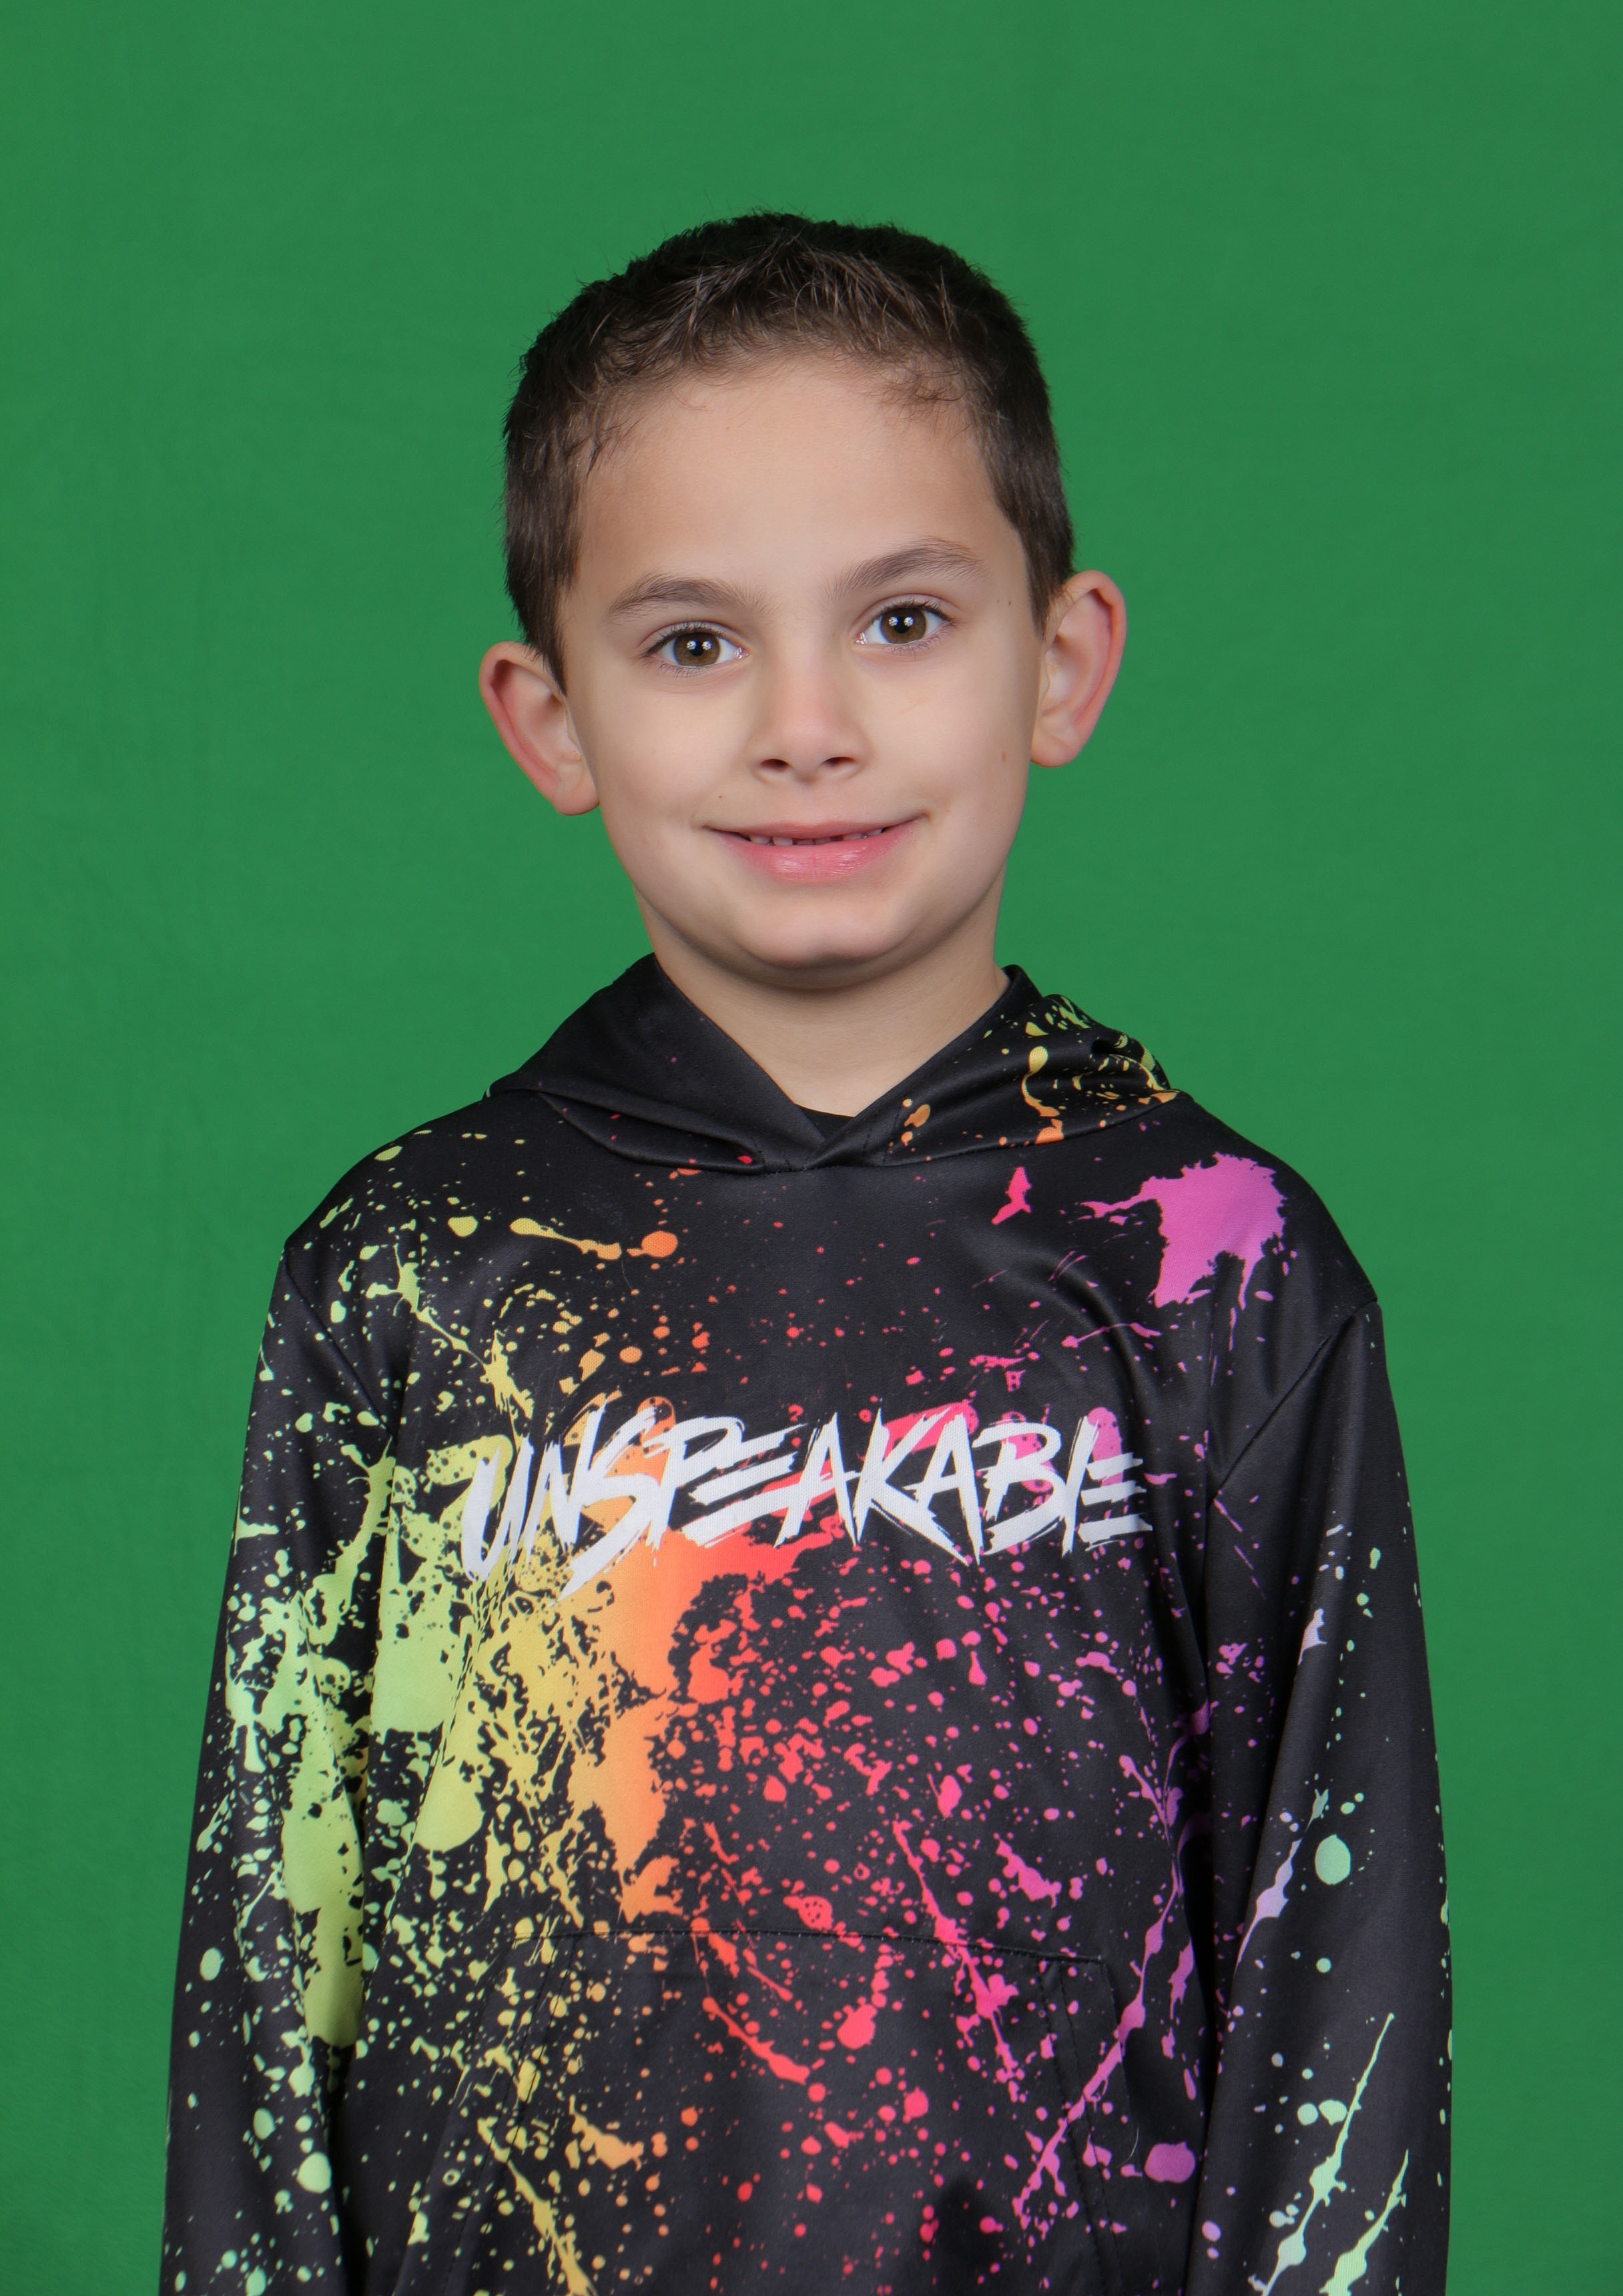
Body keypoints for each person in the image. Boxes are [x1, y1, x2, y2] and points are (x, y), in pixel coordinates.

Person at [161, 214, 1449, 2295]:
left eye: (905, 621)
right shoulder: (413, 1272)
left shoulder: (1215, 1262)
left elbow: (1340, 1997)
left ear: (1063, 662)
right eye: (694, 645)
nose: (807, 725)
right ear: (549, 718)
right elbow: (269, 1974)